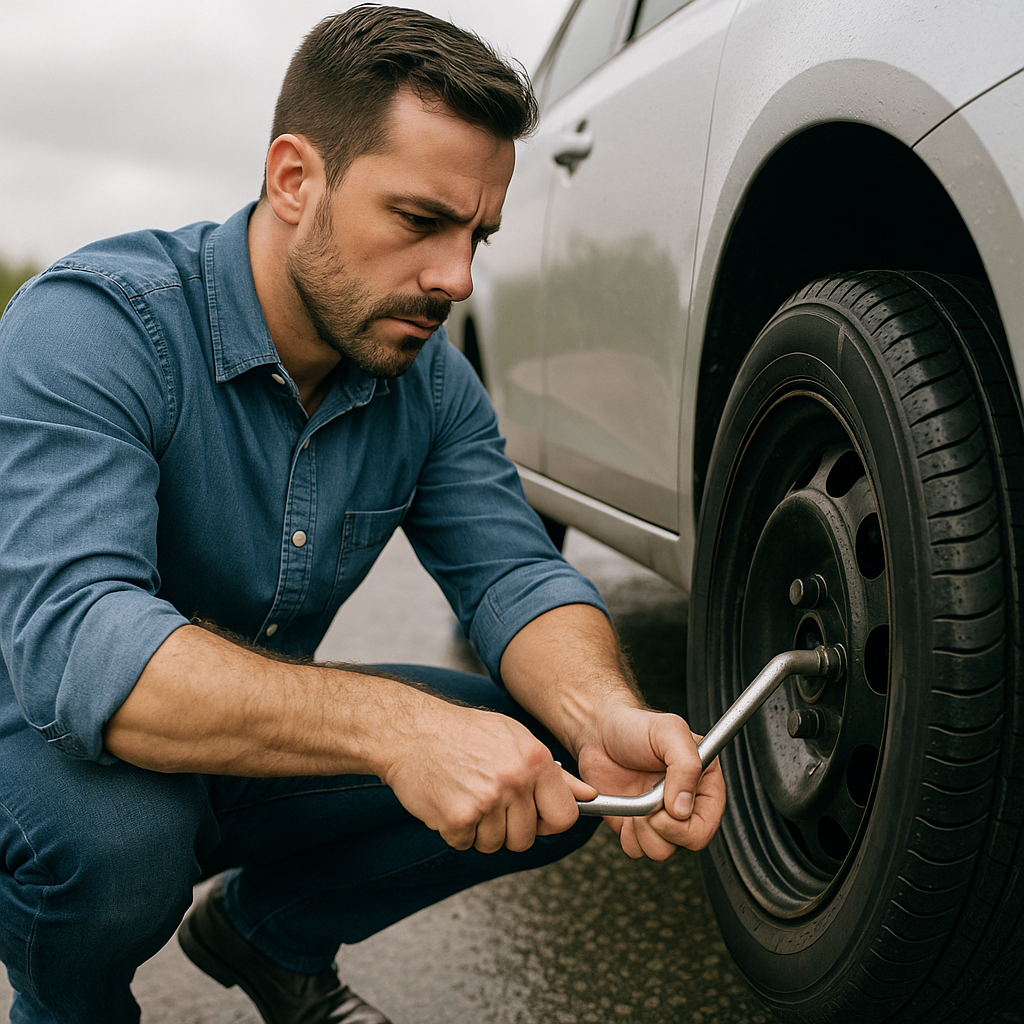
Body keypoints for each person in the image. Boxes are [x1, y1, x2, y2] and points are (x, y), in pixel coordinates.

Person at [0, 6, 726, 1024]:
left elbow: (514, 574)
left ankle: (269, 937)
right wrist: (400, 731)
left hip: (239, 746)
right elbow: (81, 644)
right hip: (43, 745)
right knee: (116, 851)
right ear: (296, 179)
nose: (456, 278)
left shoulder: (430, 383)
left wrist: (601, 712)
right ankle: (67, 1005)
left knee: (545, 762)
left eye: (477, 235)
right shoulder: (93, 325)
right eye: (420, 221)